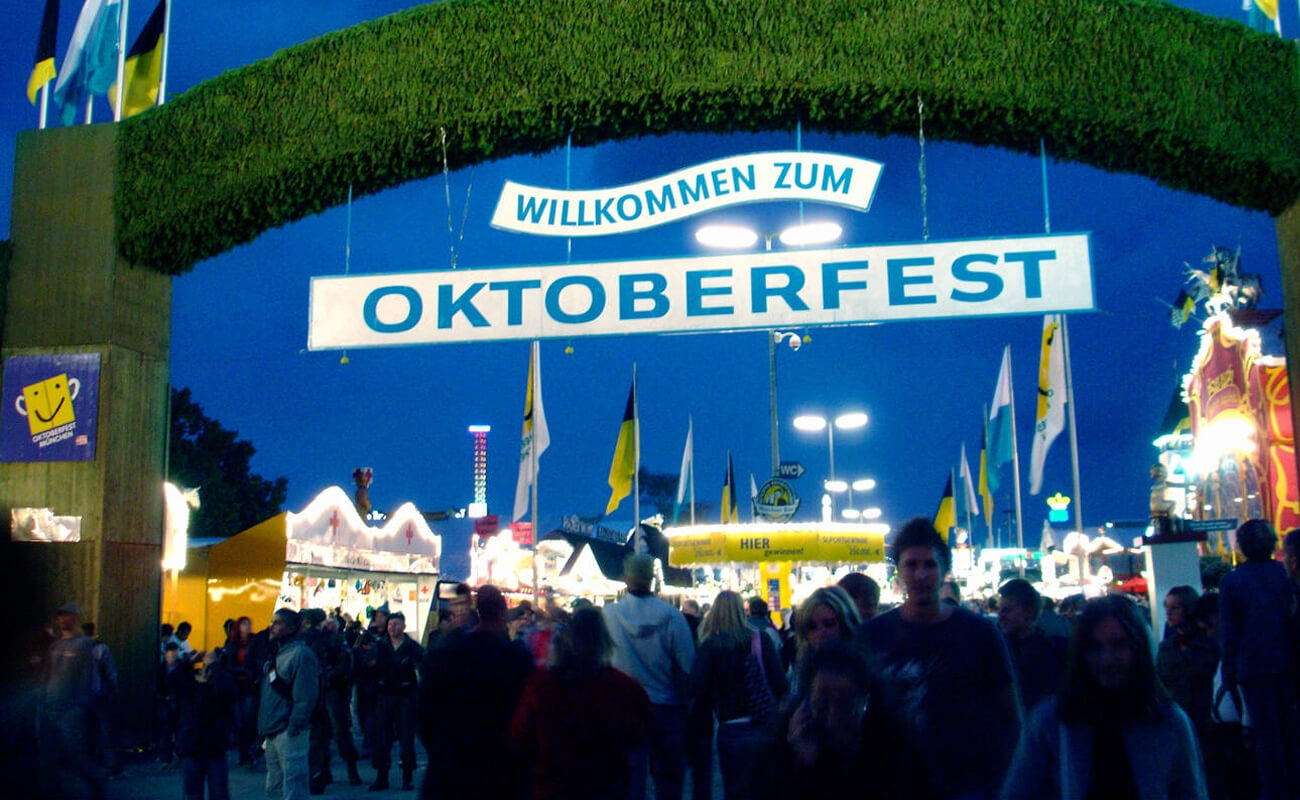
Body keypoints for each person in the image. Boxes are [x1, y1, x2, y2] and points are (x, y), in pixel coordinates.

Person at [861, 517, 1021, 800]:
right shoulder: (872, 637)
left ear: (944, 570)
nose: (920, 575)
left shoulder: (980, 634)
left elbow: (1010, 713)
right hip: (893, 784)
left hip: (967, 785)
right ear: (898, 570)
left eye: (929, 564)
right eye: (911, 564)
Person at [999, 595, 1207, 800]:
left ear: (1138, 649)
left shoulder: (1171, 722)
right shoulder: (1050, 722)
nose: (1107, 659)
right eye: (1095, 647)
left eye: (1119, 645)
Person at [755, 642, 934, 800]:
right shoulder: (783, 750)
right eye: (821, 704)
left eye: (846, 706)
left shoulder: (896, 752)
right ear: (804, 703)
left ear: (868, 703)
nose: (832, 719)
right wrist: (802, 762)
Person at [510, 605, 653, 800]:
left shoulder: (541, 685)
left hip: (553, 787)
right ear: (605, 641)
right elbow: (638, 735)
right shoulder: (624, 687)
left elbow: (520, 737)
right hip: (606, 786)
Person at [419, 584, 535, 800]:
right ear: (502, 614)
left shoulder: (445, 655)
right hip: (499, 771)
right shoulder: (516, 659)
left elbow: (425, 716)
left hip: (449, 768)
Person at [602, 554, 696, 800]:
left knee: (630, 782)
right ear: (652, 578)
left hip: (624, 708)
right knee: (668, 782)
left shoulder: (609, 615)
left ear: (625, 578)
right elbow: (688, 664)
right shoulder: (672, 616)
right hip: (665, 707)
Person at [1218, 519, 1300, 799]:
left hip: (1252, 669)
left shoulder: (1232, 582)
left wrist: (1228, 672)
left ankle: (1275, 791)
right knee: (1290, 732)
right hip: (1286, 665)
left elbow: (1229, 633)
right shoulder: (1282, 575)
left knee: (1267, 737)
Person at [691, 590, 787, 800]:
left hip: (729, 727)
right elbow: (780, 683)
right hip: (762, 724)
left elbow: (699, 689)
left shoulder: (710, 645)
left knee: (734, 788)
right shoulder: (759, 639)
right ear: (742, 611)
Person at [41, 602, 107, 800]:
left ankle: (98, 786)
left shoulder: (85, 645)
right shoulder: (56, 645)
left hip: (72, 709)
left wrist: (83, 705)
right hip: (51, 707)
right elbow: (48, 673)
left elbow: (90, 677)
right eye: (60, 616)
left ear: (75, 617)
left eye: (66, 615)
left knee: (76, 757)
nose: (62, 619)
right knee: (49, 758)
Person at [258, 608, 322, 800]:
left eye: (278, 623)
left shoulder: (300, 655)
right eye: (272, 622)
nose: (272, 626)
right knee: (275, 785)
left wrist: (294, 725)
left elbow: (306, 696)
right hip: (273, 729)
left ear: (292, 628)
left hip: (288, 730)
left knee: (294, 785)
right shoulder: (278, 654)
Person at [1156, 586, 1218, 743]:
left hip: (1208, 721)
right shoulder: (1166, 647)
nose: (1168, 613)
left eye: (1175, 608)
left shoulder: (1210, 644)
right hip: (1178, 722)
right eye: (1167, 608)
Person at [997, 578, 1067, 713]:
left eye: (1007, 610)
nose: (1001, 615)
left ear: (1029, 612)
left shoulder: (1053, 652)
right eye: (1000, 610)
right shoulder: (996, 650)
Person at [371, 610, 423, 791]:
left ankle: (407, 776)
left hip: (405, 696)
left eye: (396, 624)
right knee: (382, 738)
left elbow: (422, 669)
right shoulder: (380, 646)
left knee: (406, 738)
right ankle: (381, 777)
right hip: (384, 695)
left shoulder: (413, 647)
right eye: (390, 624)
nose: (392, 628)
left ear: (404, 626)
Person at [175, 650, 237, 800]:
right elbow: (175, 678)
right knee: (195, 792)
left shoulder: (218, 688)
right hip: (195, 746)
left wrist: (213, 665)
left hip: (210, 746)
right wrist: (189, 663)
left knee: (216, 792)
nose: (204, 671)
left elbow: (224, 686)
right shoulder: (190, 689)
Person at [789, 586, 859, 697]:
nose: (820, 633)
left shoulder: (863, 670)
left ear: (845, 625)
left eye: (829, 624)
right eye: (812, 627)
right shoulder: (803, 668)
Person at [82, 621, 120, 776]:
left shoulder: (76, 649)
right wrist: (111, 690)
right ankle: (110, 767)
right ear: (94, 632)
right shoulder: (101, 649)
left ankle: (86, 764)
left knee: (85, 731)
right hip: (99, 695)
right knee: (105, 732)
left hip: (80, 696)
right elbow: (111, 673)